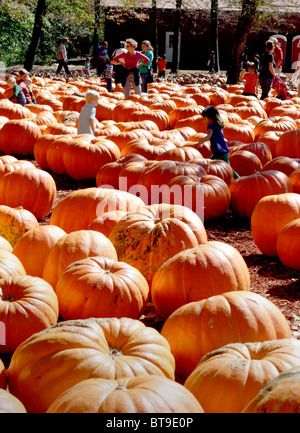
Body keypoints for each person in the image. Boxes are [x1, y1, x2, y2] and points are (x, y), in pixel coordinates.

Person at [195, 106, 239, 179]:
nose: (203, 121)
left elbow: (209, 136)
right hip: (223, 150)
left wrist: (199, 142)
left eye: (204, 119)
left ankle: (238, 179)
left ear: (210, 119)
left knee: (226, 168)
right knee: (210, 164)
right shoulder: (218, 126)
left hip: (220, 152)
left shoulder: (210, 127)